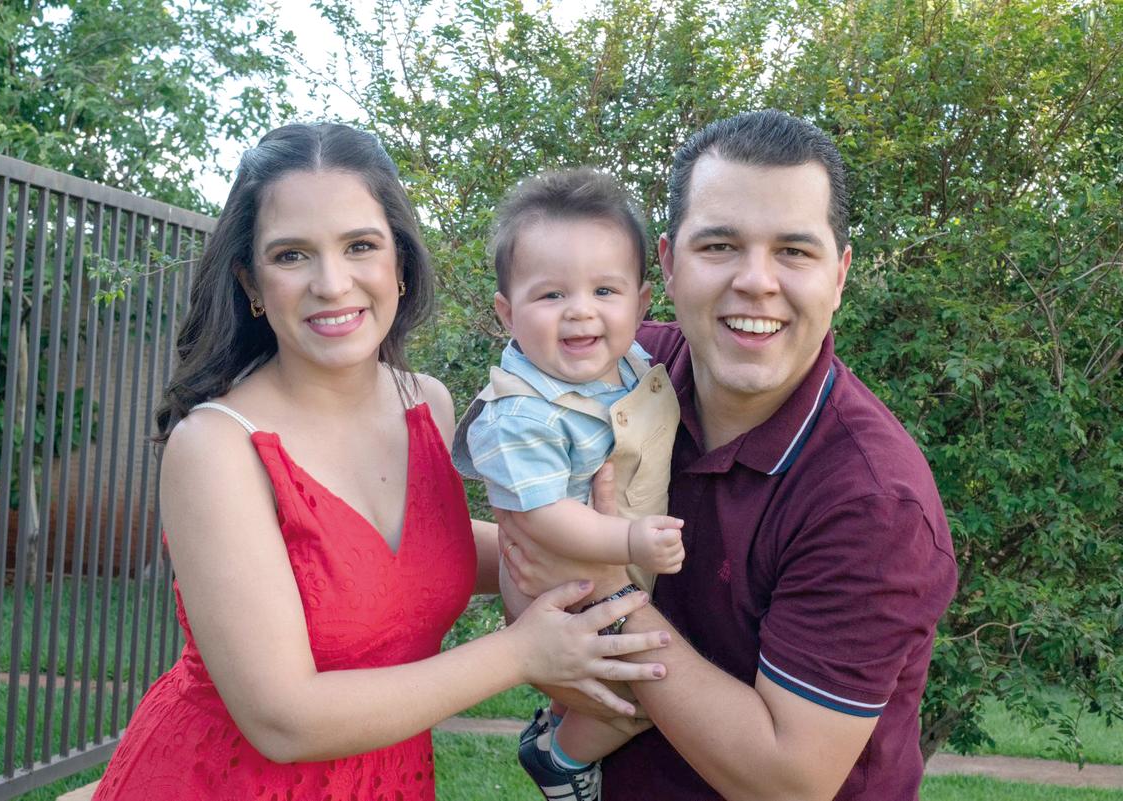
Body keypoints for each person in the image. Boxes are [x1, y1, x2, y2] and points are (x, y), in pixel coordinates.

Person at [92, 122, 673, 801]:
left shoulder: (423, 403)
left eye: (360, 246)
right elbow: (283, 719)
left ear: (399, 262)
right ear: (251, 281)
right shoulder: (216, 446)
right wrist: (519, 651)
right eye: (291, 255)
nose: (332, 283)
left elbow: (419, 556)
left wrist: (591, 541)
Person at [501, 110, 959, 800]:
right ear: (668, 262)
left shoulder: (870, 498)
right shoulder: (623, 372)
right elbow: (531, 594)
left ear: (839, 276)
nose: (756, 280)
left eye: (794, 252)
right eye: (719, 245)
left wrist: (607, 589)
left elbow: (787, 779)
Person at [450, 169, 684, 800]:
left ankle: (561, 722)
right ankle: (562, 757)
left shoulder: (631, 364)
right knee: (645, 695)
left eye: (604, 290)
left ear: (640, 305)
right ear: (507, 314)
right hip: (561, 587)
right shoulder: (520, 413)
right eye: (551, 295)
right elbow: (544, 517)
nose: (581, 310)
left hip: (606, 568)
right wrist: (631, 538)